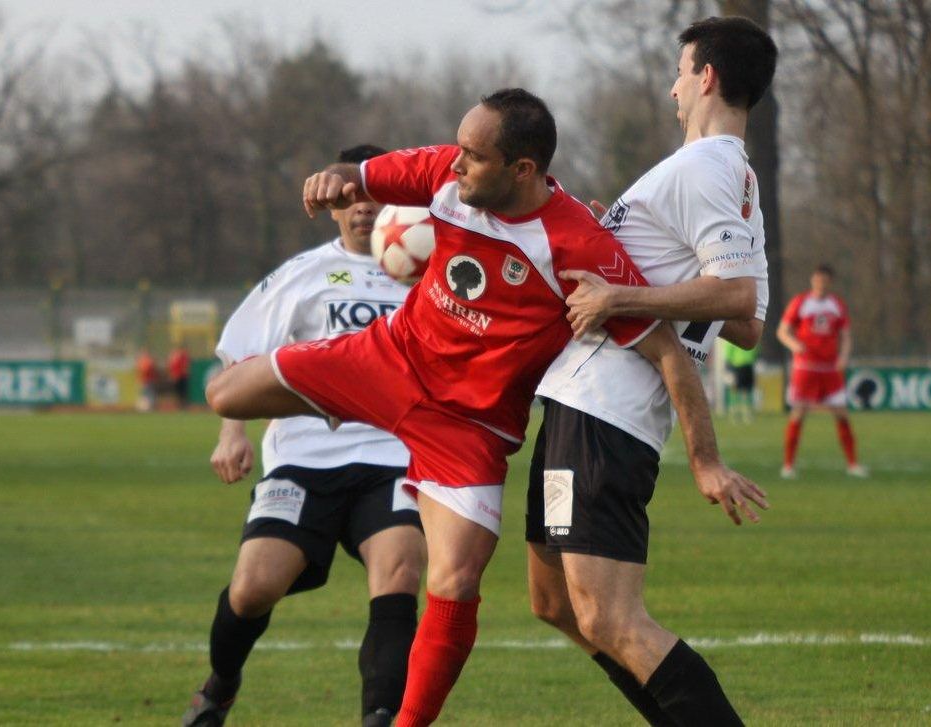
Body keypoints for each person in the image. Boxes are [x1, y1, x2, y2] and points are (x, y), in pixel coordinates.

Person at [206, 88, 764, 726]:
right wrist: (331, 179)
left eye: (473, 155)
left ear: (522, 169)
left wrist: (705, 460)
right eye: (459, 148)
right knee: (227, 393)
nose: (456, 163)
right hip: (388, 360)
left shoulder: (574, 243)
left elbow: (666, 350)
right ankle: (339, 410)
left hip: (468, 427)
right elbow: (360, 173)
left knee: (456, 581)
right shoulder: (444, 175)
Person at [526, 17, 776, 725]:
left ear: (706, 77)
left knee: (610, 618)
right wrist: (627, 258)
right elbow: (748, 327)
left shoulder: (703, 168)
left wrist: (620, 296)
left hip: (605, 409)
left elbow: (737, 298)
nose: (672, 87)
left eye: (680, 71)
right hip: (587, 404)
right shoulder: (733, 176)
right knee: (554, 603)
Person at [182, 146, 427, 727]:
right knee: (252, 589)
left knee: (399, 574)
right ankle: (221, 685)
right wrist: (232, 434)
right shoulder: (302, 275)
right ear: (334, 207)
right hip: (303, 460)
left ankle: (381, 717)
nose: (365, 207)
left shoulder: (429, 280)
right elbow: (240, 362)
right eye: (352, 197)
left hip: (395, 456)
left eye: (378, 196)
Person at [777, 263, 867, 478]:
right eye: (817, 280)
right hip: (806, 367)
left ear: (830, 282)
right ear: (812, 280)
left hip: (829, 368)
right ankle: (788, 466)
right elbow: (782, 331)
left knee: (841, 413)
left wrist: (843, 356)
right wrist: (795, 345)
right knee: (799, 413)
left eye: (824, 281)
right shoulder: (800, 302)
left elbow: (846, 335)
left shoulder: (837, 305)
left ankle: (853, 465)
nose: (820, 284)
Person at [724, 339, 759, 423]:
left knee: (746, 391)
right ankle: (734, 413)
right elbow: (728, 353)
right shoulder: (733, 338)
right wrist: (729, 367)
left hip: (748, 365)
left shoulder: (749, 336)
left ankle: (746, 414)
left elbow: (756, 350)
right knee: (735, 390)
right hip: (737, 366)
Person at [168, 344, 191, 408]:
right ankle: (180, 404)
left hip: (182, 376)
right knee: (179, 391)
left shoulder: (182, 355)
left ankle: (183, 404)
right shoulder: (175, 356)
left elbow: (186, 365)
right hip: (178, 376)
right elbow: (171, 366)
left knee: (182, 391)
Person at [135, 348, 157, 412]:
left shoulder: (146, 361)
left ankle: (147, 407)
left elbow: (145, 369)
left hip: (147, 380)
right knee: (146, 394)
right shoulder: (145, 360)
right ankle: (145, 407)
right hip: (145, 380)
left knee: (147, 394)